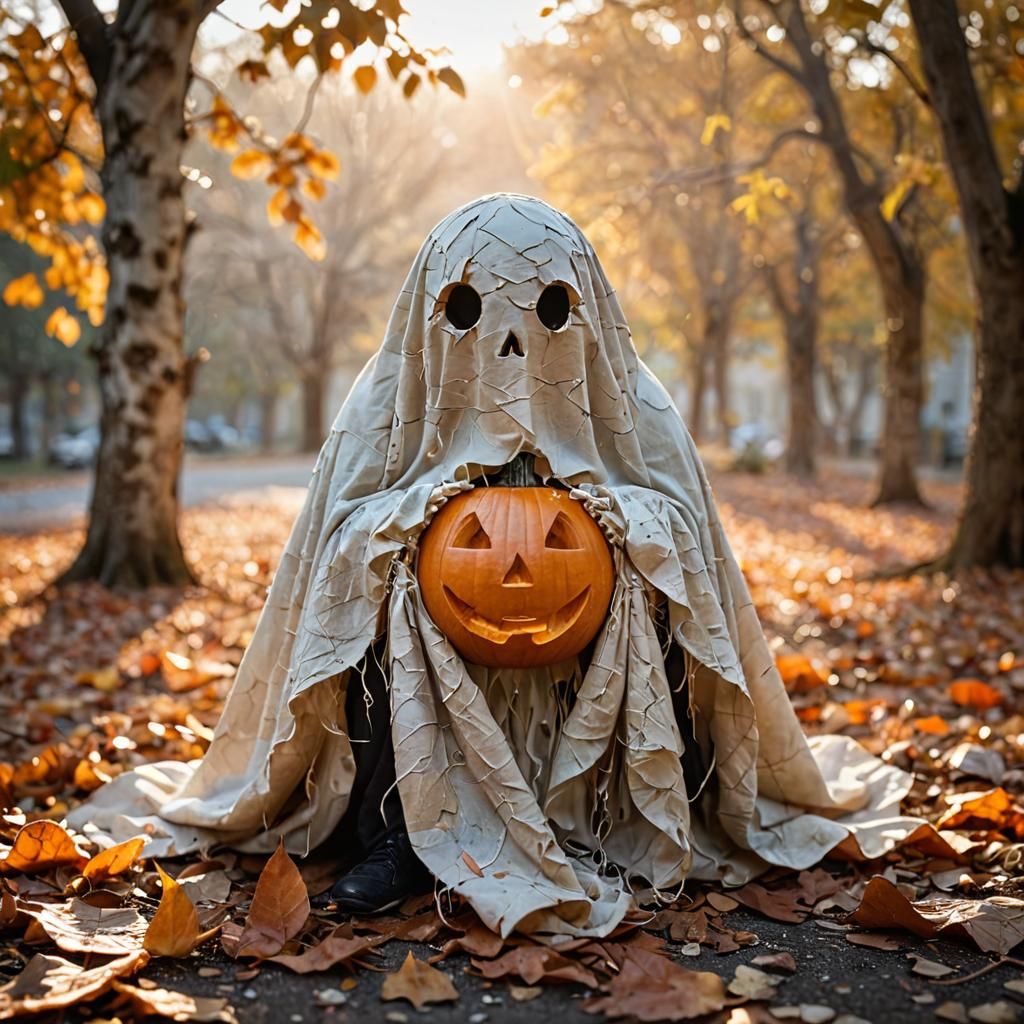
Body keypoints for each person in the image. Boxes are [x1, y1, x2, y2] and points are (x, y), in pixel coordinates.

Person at [71, 195, 920, 938]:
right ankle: (403, 829)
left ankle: (599, 813)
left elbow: (696, 551)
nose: (510, 345)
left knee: (647, 587)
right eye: (469, 309)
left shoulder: (637, 408)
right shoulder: (384, 411)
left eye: (551, 307)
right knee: (386, 588)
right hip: (426, 650)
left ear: (587, 309)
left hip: (589, 659)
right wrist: (409, 525)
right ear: (429, 311)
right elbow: (325, 560)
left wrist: (620, 526)